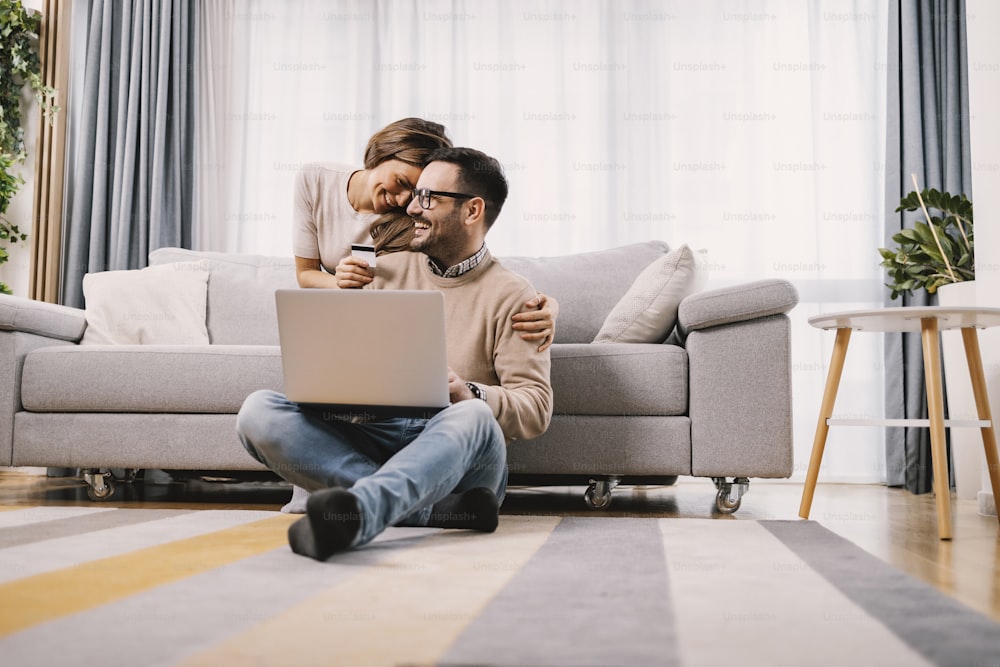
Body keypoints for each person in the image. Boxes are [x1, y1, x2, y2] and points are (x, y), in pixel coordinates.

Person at [237, 146, 552, 559]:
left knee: (472, 414)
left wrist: (469, 393)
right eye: (414, 194)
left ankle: (361, 513)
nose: (412, 208)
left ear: (473, 211)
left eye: (427, 198)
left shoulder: (517, 298)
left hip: (460, 454)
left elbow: (536, 408)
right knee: (257, 411)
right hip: (377, 434)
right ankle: (432, 513)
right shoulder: (382, 268)